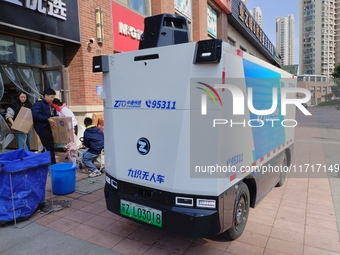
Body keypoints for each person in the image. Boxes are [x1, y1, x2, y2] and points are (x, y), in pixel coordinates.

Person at [31, 88, 58, 164]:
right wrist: (47, 119)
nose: (53, 99)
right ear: (45, 95)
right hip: (42, 127)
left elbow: (54, 115)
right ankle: (53, 164)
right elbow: (35, 115)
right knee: (49, 146)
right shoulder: (38, 104)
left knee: (50, 145)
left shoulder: (51, 105)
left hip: (50, 127)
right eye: (51, 97)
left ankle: (49, 162)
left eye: (53, 97)